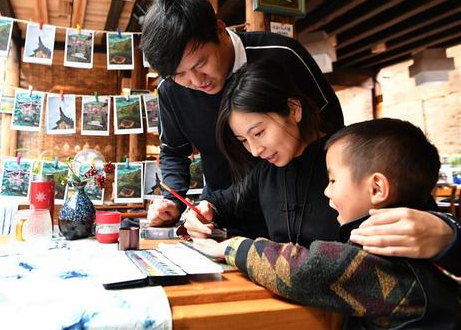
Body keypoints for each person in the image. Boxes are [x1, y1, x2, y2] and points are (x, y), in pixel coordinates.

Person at [183, 60, 459, 275]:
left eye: (259, 132)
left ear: (294, 109)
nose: (255, 150)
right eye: (243, 140)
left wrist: (447, 232)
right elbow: (223, 202)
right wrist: (203, 210)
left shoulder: (347, 157)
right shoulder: (265, 172)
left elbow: (421, 210)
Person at [193, 118, 461, 329]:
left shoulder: (387, 257)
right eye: (243, 140)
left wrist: (230, 248)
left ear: (377, 188)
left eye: (332, 181)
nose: (326, 192)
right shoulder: (411, 243)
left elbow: (305, 270)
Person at [141, 0, 344, 237]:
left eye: (200, 63)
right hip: (222, 215)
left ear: (219, 29)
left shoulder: (282, 55)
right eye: (179, 74)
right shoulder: (170, 89)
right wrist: (172, 199)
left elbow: (333, 129)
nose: (195, 81)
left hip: (303, 216)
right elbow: (173, 150)